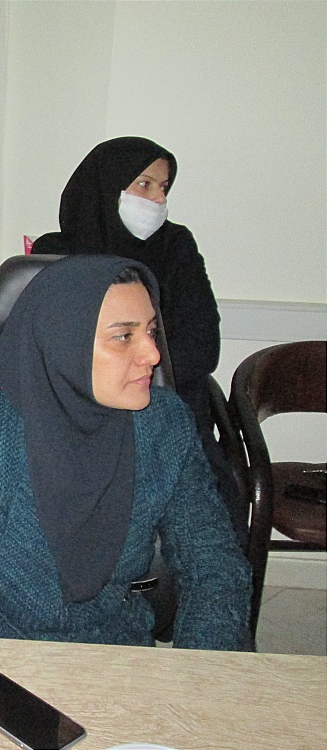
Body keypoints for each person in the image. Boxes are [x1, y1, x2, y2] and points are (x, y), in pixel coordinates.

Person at [0, 255, 250, 649]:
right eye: (124, 336)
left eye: (152, 331)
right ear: (65, 343)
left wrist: (200, 670)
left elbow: (215, 565)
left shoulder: (165, 425)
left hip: (108, 647)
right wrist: (34, 679)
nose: (153, 355)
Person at [31, 136, 247, 546]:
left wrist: (138, 390)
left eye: (164, 188)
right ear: (106, 186)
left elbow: (202, 347)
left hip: (165, 406)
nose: (157, 200)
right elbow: (46, 351)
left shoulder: (175, 246)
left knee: (207, 525)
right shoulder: (54, 252)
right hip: (75, 415)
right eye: (144, 185)